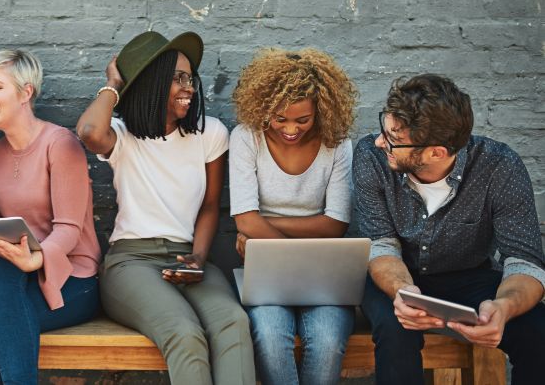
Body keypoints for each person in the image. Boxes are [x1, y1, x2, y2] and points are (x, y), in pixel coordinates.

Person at [76, 31, 255, 385]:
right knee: (184, 332)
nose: (188, 87)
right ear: (153, 83)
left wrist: (199, 259)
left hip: (188, 257)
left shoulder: (210, 134)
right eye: (177, 79)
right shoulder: (123, 135)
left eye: (190, 78)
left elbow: (209, 207)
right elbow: (89, 131)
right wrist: (113, 83)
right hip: (131, 263)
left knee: (233, 323)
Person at [355, 74, 545, 385]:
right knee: (394, 326)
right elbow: (382, 243)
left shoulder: (500, 166)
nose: (379, 141)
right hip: (396, 274)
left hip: (470, 276)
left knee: (538, 331)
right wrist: (405, 292)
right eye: (383, 128)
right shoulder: (371, 157)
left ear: (436, 153)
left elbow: (524, 261)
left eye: (392, 139)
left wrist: (504, 307)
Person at [0, 50, 101, 385]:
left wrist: (35, 259)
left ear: (26, 92)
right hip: (14, 278)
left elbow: (69, 230)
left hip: (73, 278)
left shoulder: (60, 144)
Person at [229, 48, 358, 385]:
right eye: (280, 119)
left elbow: (335, 224)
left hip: (323, 273)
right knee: (270, 340)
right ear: (263, 108)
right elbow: (243, 221)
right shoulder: (247, 138)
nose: (290, 129)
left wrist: (263, 228)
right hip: (265, 273)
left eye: (303, 120)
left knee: (328, 342)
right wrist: (254, 227)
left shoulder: (337, 144)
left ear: (321, 112)